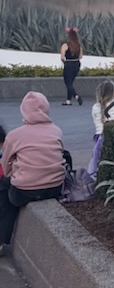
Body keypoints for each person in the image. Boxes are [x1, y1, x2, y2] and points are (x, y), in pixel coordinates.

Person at [0, 92, 66, 249]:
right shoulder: (56, 131)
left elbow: (5, 165)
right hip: (55, 188)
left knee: (4, 192)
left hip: (24, 192)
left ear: (24, 111)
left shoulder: (15, 136)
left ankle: (1, 241)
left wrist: (13, 176)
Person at [60, 25, 83, 105]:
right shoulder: (78, 45)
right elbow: (81, 56)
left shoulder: (65, 45)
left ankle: (76, 96)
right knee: (70, 83)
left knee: (68, 83)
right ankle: (68, 101)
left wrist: (65, 62)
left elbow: (62, 57)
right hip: (76, 64)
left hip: (69, 64)